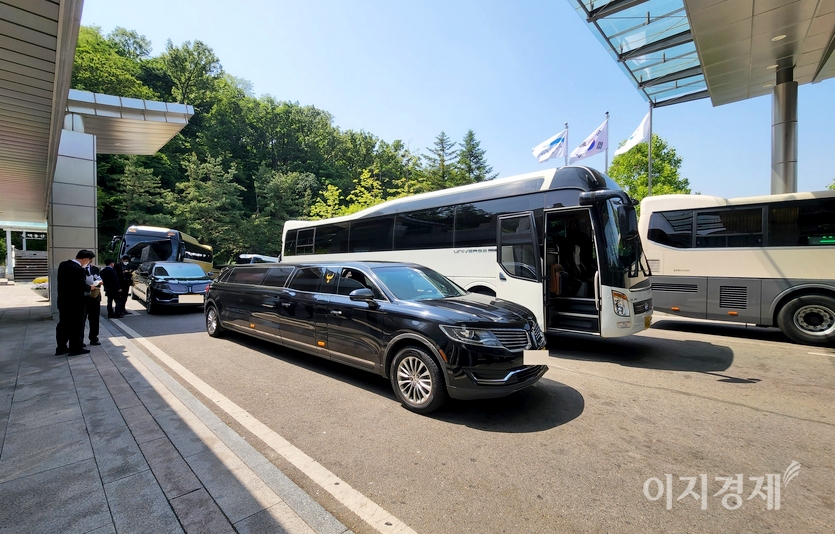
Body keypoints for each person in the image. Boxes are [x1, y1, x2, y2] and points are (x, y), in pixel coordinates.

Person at [56, 250, 97, 356]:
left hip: (63, 301)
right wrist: (90, 287)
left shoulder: (63, 265)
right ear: (85, 260)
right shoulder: (78, 270)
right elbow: (81, 286)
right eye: (88, 261)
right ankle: (75, 348)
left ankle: (61, 347)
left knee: (63, 325)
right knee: (76, 326)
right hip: (76, 303)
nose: (88, 263)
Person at [83, 261, 103, 345]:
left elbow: (99, 278)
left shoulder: (95, 269)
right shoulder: (79, 268)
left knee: (94, 318)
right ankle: (79, 340)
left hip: (94, 296)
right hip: (83, 297)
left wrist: (99, 282)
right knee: (81, 319)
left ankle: (94, 337)